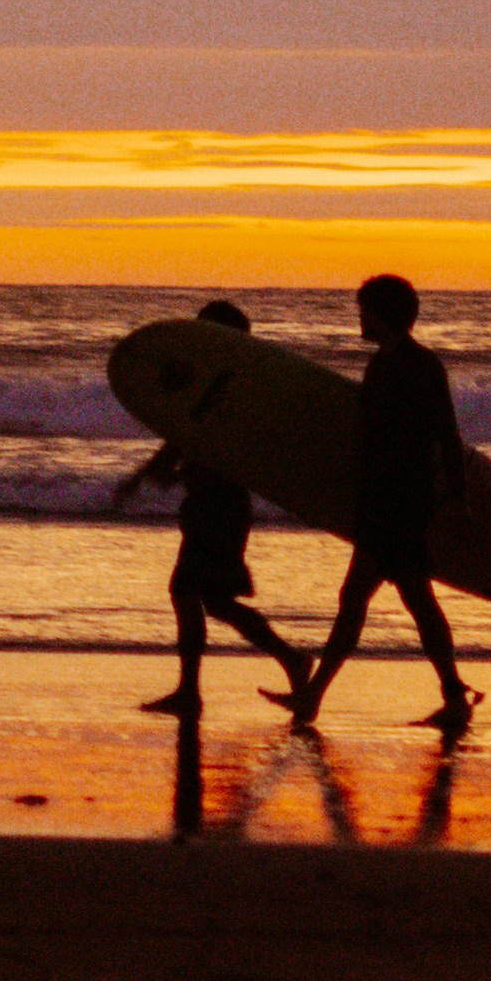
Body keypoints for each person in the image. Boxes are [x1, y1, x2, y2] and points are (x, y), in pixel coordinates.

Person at [298, 270, 478, 737]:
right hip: (381, 497)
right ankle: (454, 696)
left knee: (370, 599)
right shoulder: (380, 364)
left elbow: (447, 433)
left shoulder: (421, 365)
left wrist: (456, 498)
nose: (359, 318)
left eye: (364, 311)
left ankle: (314, 696)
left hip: (402, 499)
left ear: (381, 315)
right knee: (406, 599)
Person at [141, 297, 316, 719]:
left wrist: (163, 469)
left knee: (186, 592)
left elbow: (200, 440)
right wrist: (161, 470)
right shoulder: (223, 383)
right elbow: (187, 438)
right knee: (215, 602)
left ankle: (191, 692)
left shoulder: (227, 387)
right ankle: (290, 660)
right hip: (214, 505)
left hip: (218, 508)